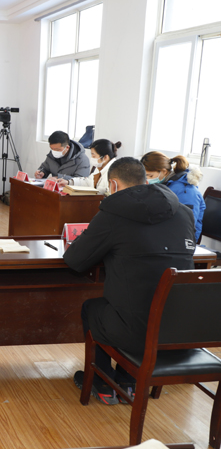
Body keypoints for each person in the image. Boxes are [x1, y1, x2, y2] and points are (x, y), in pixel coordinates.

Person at [64, 157, 196, 405]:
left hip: (134, 330)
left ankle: (102, 381)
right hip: (180, 328)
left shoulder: (112, 214)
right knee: (141, 303)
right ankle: (128, 380)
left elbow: (75, 260)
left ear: (113, 185)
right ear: (146, 181)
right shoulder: (184, 213)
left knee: (93, 308)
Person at [141, 151, 205, 242]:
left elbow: (186, 224)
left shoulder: (186, 190)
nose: (147, 180)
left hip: (182, 240)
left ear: (164, 171)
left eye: (150, 176)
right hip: (166, 234)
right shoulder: (164, 185)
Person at [57, 139, 121, 195]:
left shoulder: (114, 172)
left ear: (105, 157)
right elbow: (88, 182)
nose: (92, 158)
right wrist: (69, 182)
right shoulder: (100, 167)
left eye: (94, 156)